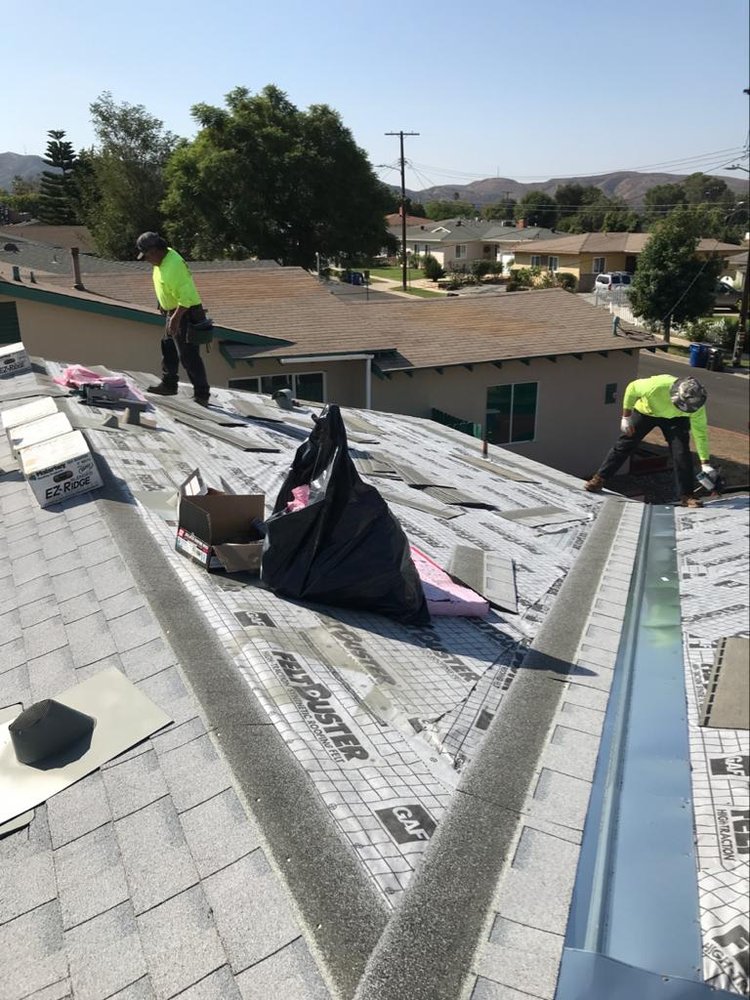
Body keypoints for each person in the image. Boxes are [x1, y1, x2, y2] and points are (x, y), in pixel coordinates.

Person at [584, 373, 716, 508]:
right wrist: (626, 416)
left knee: (681, 453)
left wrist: (705, 463)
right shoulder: (656, 386)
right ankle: (599, 479)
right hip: (647, 413)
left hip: (677, 419)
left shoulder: (696, 406)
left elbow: (700, 434)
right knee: (625, 444)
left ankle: (687, 496)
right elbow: (632, 388)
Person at [136, 232, 211, 406]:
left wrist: (176, 319)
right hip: (174, 310)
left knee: (188, 355)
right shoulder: (162, 259)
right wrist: (162, 302)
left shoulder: (174, 265)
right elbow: (164, 284)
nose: (146, 260)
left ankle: (202, 395)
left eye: (146, 255)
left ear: (154, 250)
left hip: (186, 312)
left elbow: (186, 297)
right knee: (168, 346)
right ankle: (169, 385)